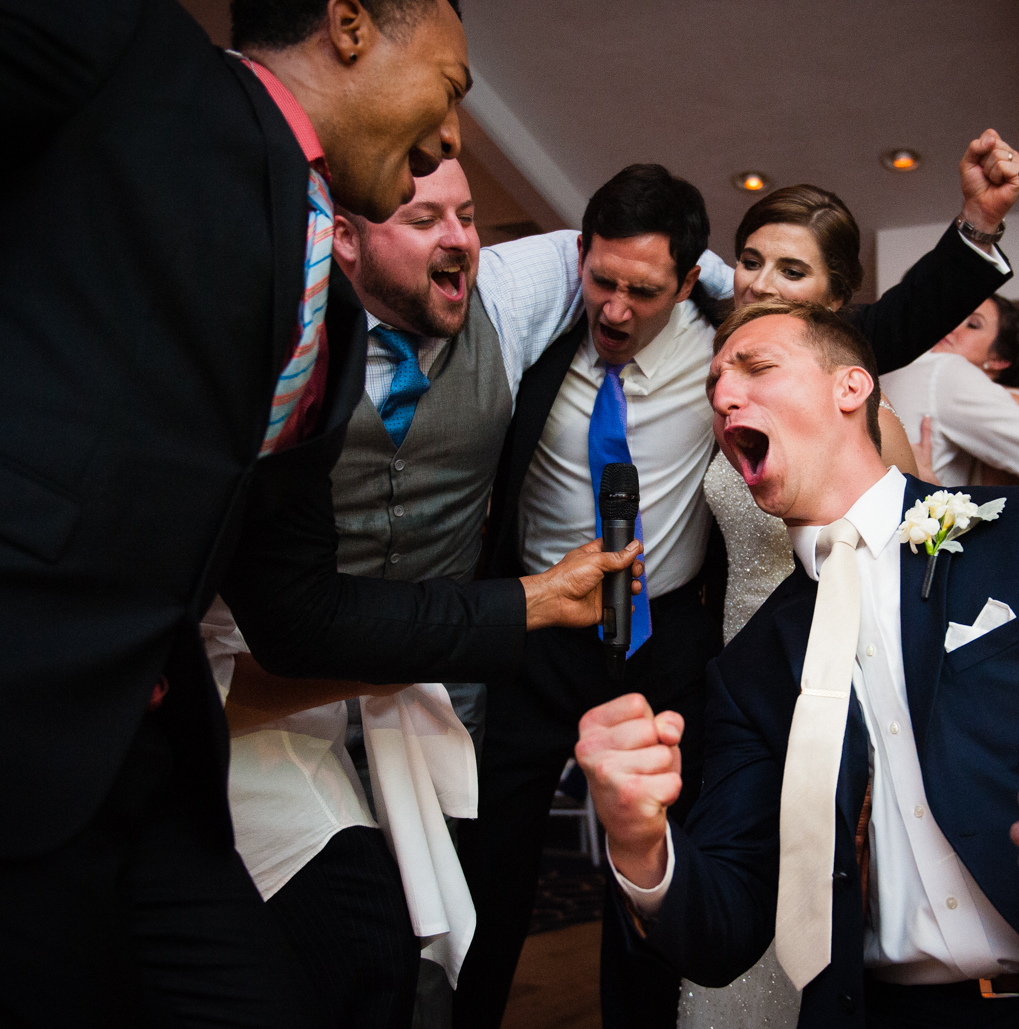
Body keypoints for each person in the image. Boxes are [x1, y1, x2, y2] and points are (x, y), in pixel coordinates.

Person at [0, 2, 632, 1025]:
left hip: (139, 760)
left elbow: (296, 615)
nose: (454, 135)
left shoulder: (331, 326)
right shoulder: (133, 61)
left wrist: (527, 607)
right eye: (450, 88)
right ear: (351, 25)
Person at [578, 300, 1019, 1028]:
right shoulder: (750, 668)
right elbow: (726, 928)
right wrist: (642, 846)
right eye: (714, 385)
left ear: (851, 388)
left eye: (756, 368)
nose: (724, 395)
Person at [458, 142, 1017, 1029]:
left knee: (653, 859)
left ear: (683, 284)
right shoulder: (541, 345)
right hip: (536, 635)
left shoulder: (741, 358)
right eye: (606, 282)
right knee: (492, 864)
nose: (619, 306)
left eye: (645, 290)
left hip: (672, 645)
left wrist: (978, 228)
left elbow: (887, 325)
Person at [215, 156, 675, 1028]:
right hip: (276, 684)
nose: (461, 237)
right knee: (320, 925)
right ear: (343, 239)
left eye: (466, 215)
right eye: (425, 219)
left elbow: (662, 259)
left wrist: (745, 289)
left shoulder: (506, 290)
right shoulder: (277, 331)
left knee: (438, 929)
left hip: (436, 681)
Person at [685, 133, 1019, 1027]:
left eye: (790, 271)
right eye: (750, 260)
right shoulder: (719, 375)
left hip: (843, 675)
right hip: (746, 674)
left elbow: (911, 554)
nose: (758, 282)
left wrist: (976, 226)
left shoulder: (845, 399)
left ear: (837, 310)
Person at [881, 294, 1019, 490]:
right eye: (955, 317)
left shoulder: (947, 370)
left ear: (998, 359)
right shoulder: (926, 370)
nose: (952, 327)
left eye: (973, 324)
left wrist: (932, 490)